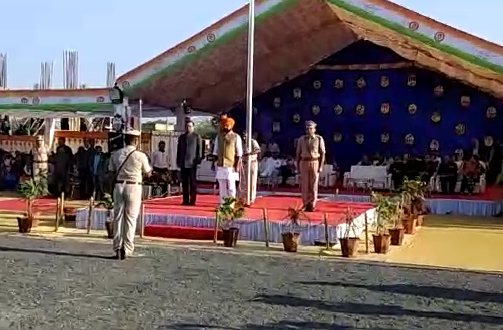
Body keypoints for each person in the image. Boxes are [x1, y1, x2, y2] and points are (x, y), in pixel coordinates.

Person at [109, 129, 152, 260]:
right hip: (134, 186)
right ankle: (127, 249)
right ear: (136, 140)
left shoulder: (116, 154)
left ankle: (117, 247)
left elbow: (111, 170)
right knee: (130, 219)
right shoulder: (140, 155)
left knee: (118, 217)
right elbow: (148, 172)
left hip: (119, 186)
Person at [296, 120, 325, 212]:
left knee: (313, 185)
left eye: (311, 128)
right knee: (305, 185)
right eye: (307, 128)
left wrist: (321, 166)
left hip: (314, 162)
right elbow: (298, 153)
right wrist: (297, 166)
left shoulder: (319, 139)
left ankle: (312, 204)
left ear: (314, 129)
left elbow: (323, 153)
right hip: (304, 162)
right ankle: (305, 204)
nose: (308, 130)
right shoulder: (301, 139)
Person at [212, 116, 243, 205]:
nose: (225, 127)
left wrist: (237, 166)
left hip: (231, 166)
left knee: (231, 186)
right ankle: (223, 205)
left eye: (227, 125)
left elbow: (239, 153)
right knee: (222, 187)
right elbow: (215, 151)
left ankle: (231, 205)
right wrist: (214, 164)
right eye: (224, 125)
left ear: (231, 126)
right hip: (221, 165)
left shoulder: (236, 137)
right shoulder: (219, 137)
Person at [176, 120, 202, 205]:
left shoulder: (196, 136)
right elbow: (179, 150)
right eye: (187, 126)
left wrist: (198, 160)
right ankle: (185, 200)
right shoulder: (182, 137)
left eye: (190, 126)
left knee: (193, 183)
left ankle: (193, 200)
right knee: (184, 183)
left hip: (192, 163)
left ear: (193, 127)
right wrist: (178, 160)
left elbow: (200, 150)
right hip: (183, 163)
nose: (188, 128)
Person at [239, 131, 261, 205]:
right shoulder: (241, 142)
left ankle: (251, 198)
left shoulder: (253, 141)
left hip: (252, 162)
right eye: (243, 136)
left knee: (252, 181)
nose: (244, 137)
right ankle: (242, 198)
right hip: (244, 163)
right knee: (243, 181)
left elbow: (258, 150)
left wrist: (249, 153)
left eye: (245, 136)